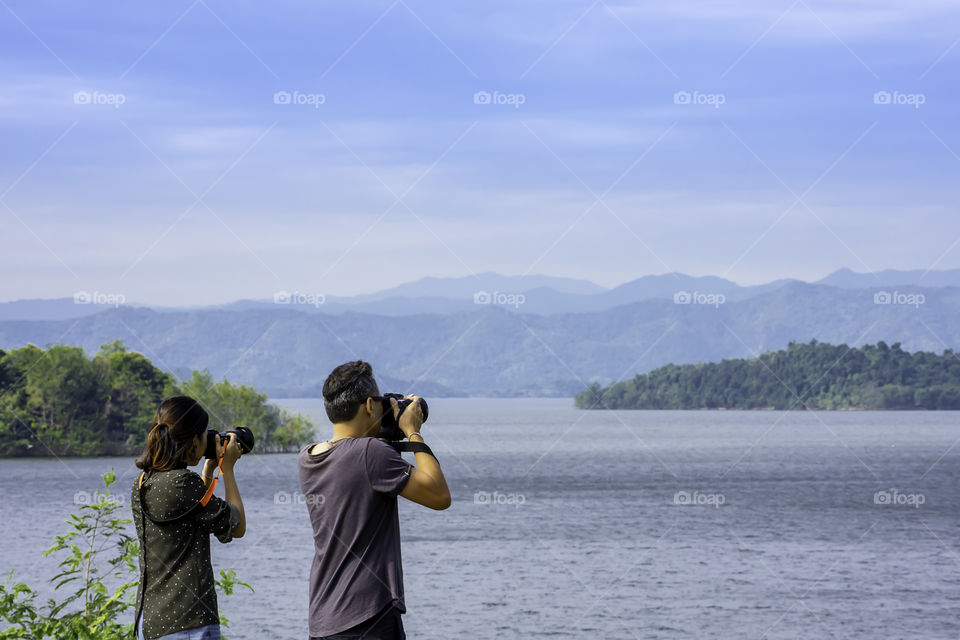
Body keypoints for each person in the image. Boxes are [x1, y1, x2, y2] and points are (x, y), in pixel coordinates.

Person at [298, 361, 451, 640]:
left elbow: (372, 476)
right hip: (366, 618)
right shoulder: (370, 455)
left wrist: (384, 434)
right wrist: (412, 430)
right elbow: (439, 495)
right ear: (369, 405)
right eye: (380, 403)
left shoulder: (307, 456)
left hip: (323, 618)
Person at [131, 395, 246, 640]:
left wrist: (207, 472)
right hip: (188, 622)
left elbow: (191, 512)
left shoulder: (142, 483)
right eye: (205, 435)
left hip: (150, 621)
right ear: (193, 440)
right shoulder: (183, 483)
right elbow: (236, 526)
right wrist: (227, 470)